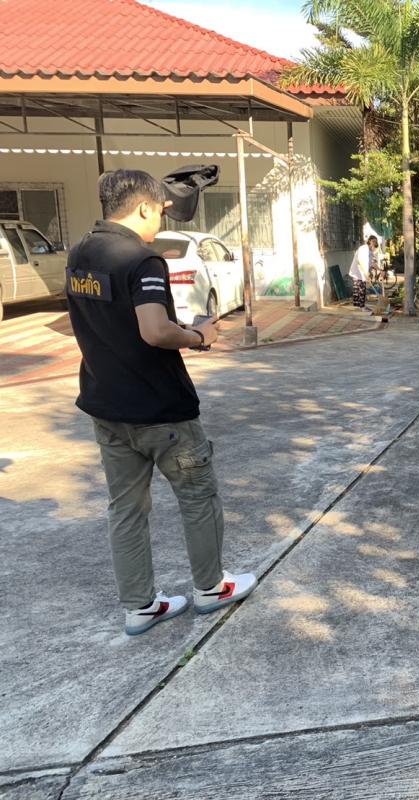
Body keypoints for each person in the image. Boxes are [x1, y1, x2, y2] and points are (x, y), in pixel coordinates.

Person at [66, 170, 257, 635]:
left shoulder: (80, 253)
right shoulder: (142, 259)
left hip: (106, 406)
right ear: (144, 207)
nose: (162, 221)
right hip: (161, 411)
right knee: (197, 497)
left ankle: (140, 606)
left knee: (126, 509)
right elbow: (154, 331)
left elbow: (109, 321)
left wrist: (177, 329)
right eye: (160, 212)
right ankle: (211, 587)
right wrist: (199, 336)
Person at [349, 235, 377, 308]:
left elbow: (372, 263)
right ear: (369, 241)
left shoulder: (370, 252)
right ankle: (360, 307)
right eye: (373, 241)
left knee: (361, 289)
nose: (374, 243)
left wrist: (380, 270)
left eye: (375, 242)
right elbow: (360, 261)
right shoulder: (363, 248)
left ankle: (359, 307)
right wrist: (365, 273)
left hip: (362, 272)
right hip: (357, 271)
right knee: (359, 289)